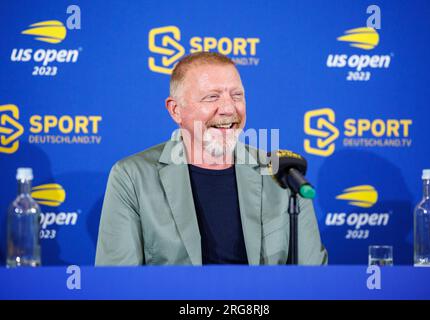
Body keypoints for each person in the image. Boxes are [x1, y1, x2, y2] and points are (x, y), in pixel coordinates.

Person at [95, 52, 327, 266]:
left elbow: (314, 277)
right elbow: (118, 282)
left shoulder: (281, 173)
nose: (228, 108)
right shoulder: (132, 176)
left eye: (237, 95)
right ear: (176, 110)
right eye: (211, 97)